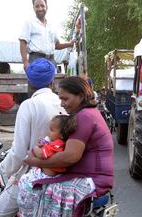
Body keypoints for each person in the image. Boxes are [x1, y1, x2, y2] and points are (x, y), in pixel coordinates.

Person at [21, 76, 114, 217]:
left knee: (29, 185)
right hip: (91, 177)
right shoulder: (89, 113)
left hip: (92, 181)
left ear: (81, 96)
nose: (62, 104)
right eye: (60, 99)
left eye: (65, 99)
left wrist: (35, 162)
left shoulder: (84, 117)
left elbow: (70, 157)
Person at [0, 58, 66, 217]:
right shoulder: (63, 103)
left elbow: (19, 152)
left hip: (30, 176)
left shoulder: (29, 105)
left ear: (29, 81)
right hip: (60, 173)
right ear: (52, 82)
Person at [19, 0, 76, 70]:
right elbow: (23, 42)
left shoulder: (51, 26)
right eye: (37, 6)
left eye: (42, 6)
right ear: (33, 8)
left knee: (51, 81)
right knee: (37, 81)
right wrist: (25, 62)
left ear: (47, 7)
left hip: (51, 61)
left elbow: (57, 45)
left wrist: (70, 44)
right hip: (36, 60)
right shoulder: (29, 23)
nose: (40, 8)